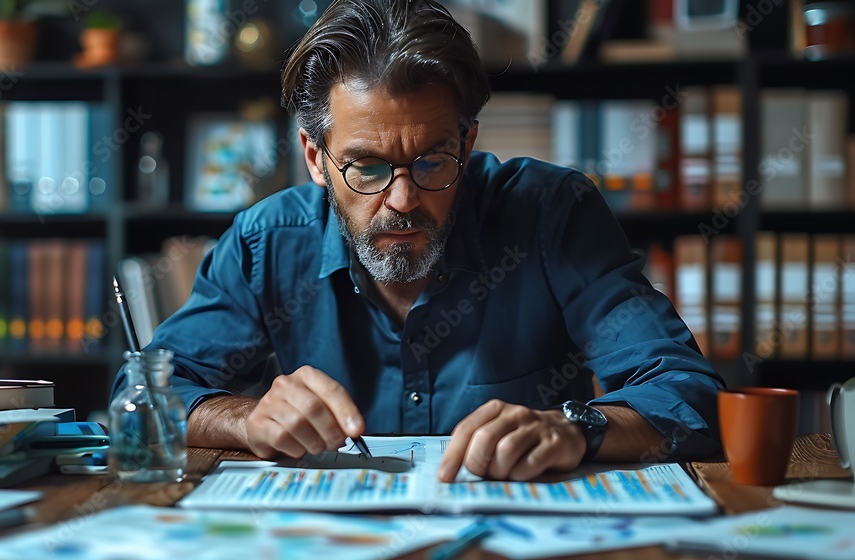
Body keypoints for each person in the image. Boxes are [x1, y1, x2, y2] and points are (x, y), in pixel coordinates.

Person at [112, 0, 725, 482]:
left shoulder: (550, 215)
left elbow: (689, 394)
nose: (402, 199)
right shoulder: (265, 243)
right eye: (368, 167)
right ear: (315, 159)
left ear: (467, 141)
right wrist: (248, 420)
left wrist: (576, 428)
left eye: (432, 160)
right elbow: (143, 394)